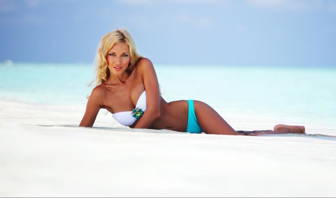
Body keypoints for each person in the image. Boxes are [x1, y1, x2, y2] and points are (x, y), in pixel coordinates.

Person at [79, 29, 306, 136]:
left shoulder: (143, 66)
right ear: (104, 55)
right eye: (112, 54)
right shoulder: (100, 94)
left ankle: (287, 132)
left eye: (124, 54)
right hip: (178, 133)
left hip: (192, 113)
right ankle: (281, 130)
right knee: (240, 135)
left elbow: (155, 110)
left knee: (239, 141)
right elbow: (82, 132)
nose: (118, 61)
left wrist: (132, 138)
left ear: (131, 55)